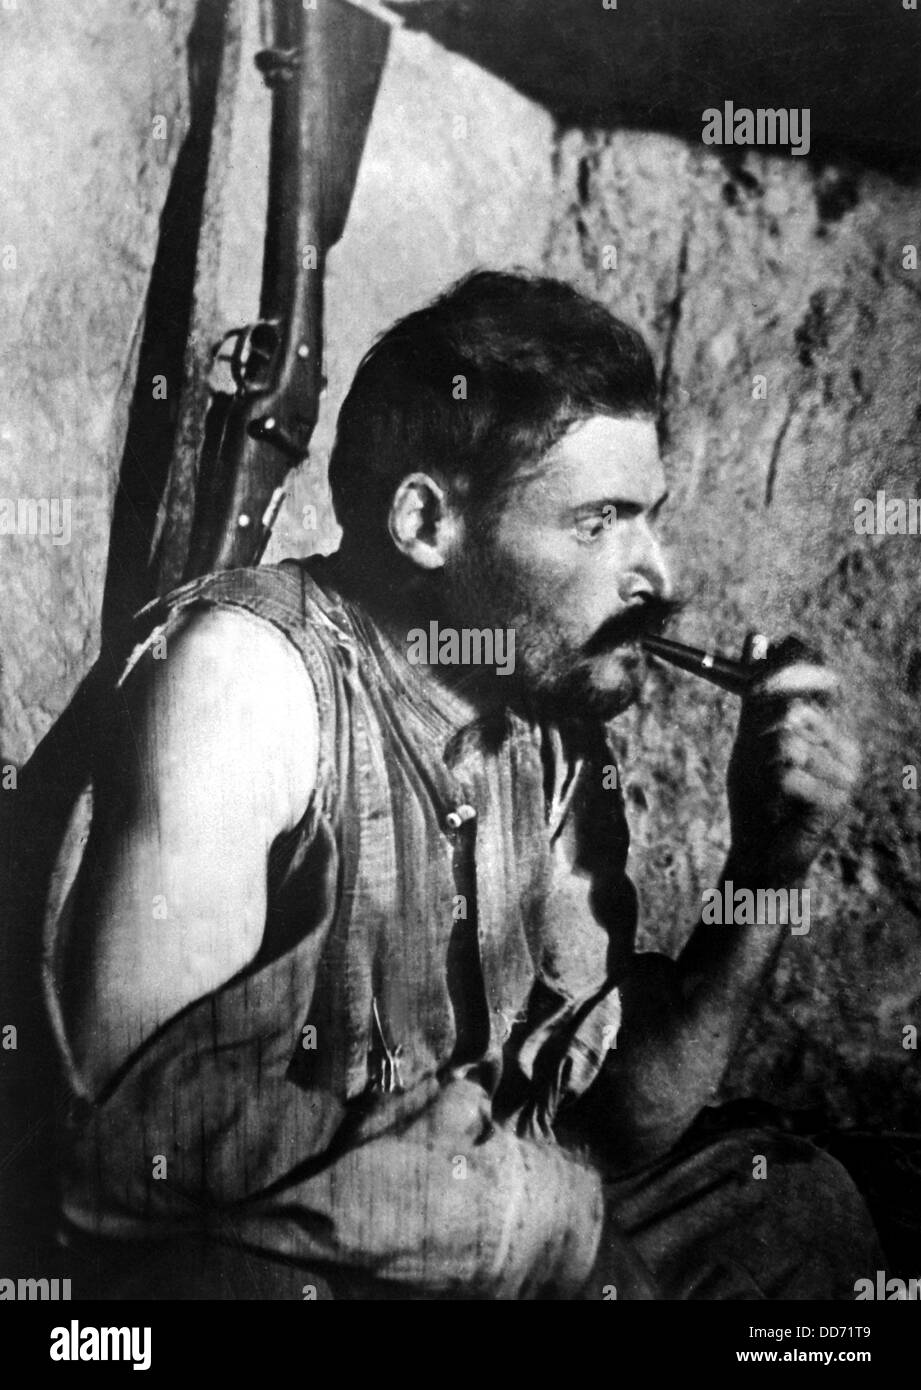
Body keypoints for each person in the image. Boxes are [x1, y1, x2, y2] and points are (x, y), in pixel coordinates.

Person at [49, 270, 882, 1299]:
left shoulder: (547, 721)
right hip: (248, 1258)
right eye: (600, 521)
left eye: (649, 517)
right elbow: (115, 1139)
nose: (656, 576)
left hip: (470, 1231)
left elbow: (617, 1126)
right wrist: (515, 1209)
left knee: (792, 1211)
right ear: (427, 523)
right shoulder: (245, 677)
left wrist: (768, 862)